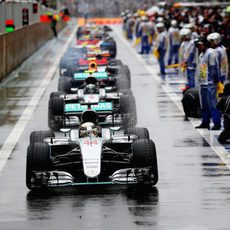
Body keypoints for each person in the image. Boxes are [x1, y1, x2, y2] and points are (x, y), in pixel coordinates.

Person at [195, 35, 221, 130]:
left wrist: (215, 82)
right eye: (198, 45)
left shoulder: (211, 53)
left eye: (201, 45)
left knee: (212, 104)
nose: (199, 47)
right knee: (204, 104)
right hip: (202, 83)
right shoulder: (201, 54)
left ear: (205, 44)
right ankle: (205, 122)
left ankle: (217, 123)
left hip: (210, 84)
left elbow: (214, 68)